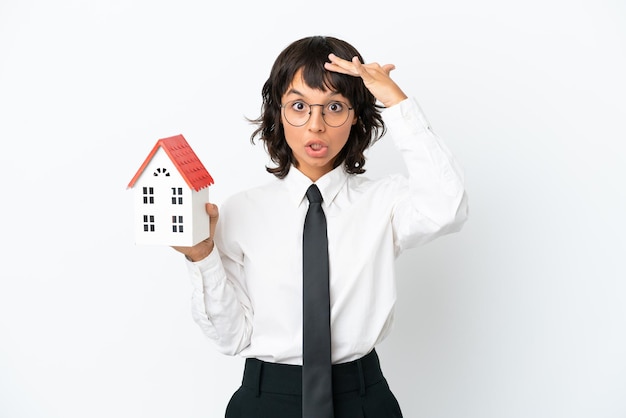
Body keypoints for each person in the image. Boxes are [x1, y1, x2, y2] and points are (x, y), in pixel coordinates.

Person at [173, 35, 468, 417]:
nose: (316, 125)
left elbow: (448, 206)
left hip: (362, 399)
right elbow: (231, 337)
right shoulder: (240, 211)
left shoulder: (385, 203)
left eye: (334, 107)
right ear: (278, 113)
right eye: (299, 106)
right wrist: (201, 258)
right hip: (267, 401)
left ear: (356, 116)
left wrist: (396, 101)